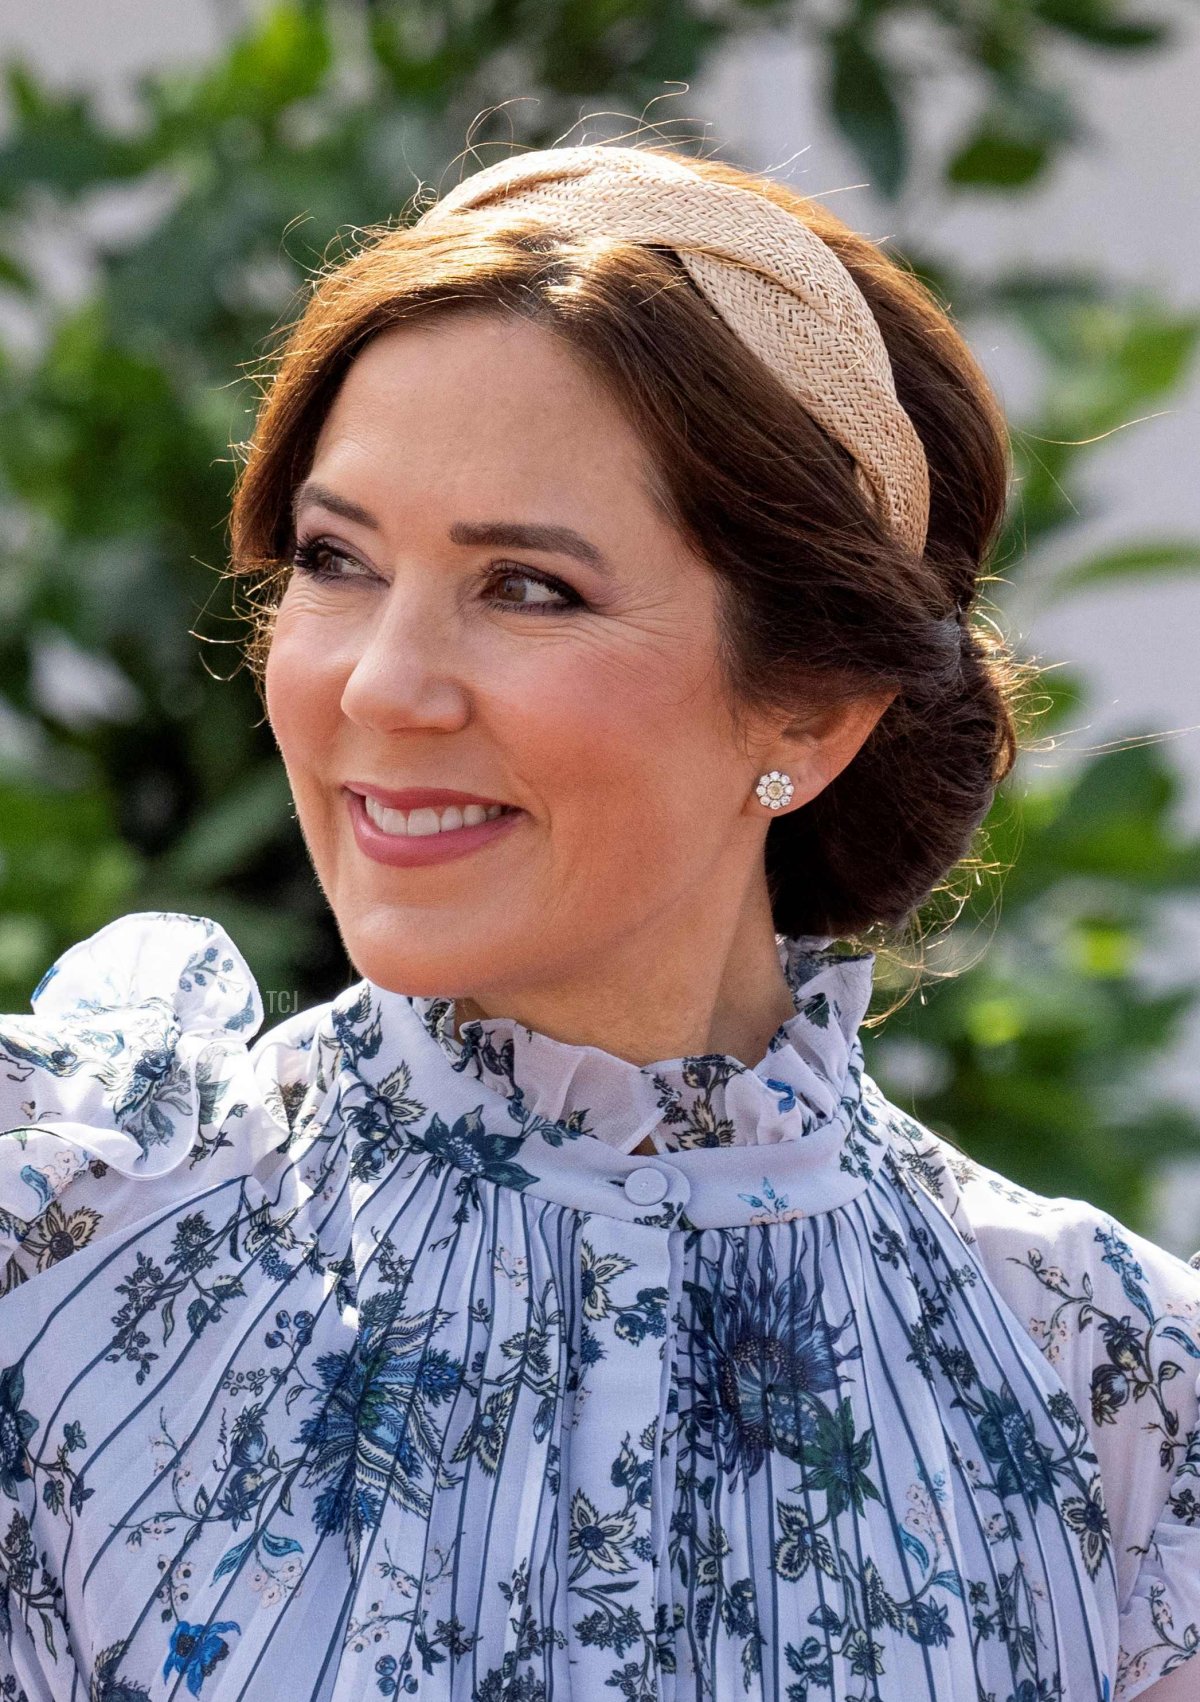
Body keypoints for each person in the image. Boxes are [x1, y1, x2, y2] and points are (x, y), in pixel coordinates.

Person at [0, 139, 1197, 1702]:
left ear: (816, 702)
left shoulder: (1117, 1395)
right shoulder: (62, 1232)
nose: (380, 686)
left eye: (527, 589)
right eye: (336, 561)